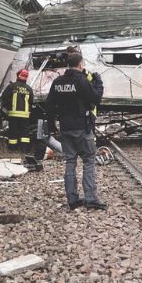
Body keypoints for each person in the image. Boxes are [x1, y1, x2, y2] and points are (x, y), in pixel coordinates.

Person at [43, 52, 106, 210]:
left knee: (70, 162)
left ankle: (72, 199)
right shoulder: (81, 80)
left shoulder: (58, 82)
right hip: (82, 128)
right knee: (88, 161)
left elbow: (49, 105)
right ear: (81, 64)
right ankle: (90, 198)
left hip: (65, 127)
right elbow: (95, 98)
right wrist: (98, 83)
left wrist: (52, 125)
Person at [0, 69, 34, 156]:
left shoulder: (12, 86)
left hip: (14, 114)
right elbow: (31, 102)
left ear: (18, 75)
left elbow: (4, 97)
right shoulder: (29, 89)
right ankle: (24, 150)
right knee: (25, 134)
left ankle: (12, 150)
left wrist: (8, 107)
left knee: (13, 132)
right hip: (25, 115)